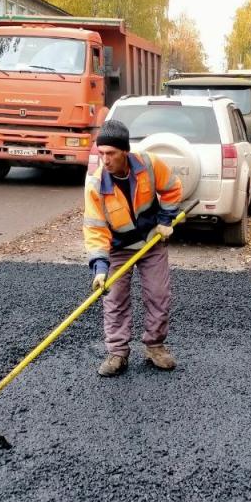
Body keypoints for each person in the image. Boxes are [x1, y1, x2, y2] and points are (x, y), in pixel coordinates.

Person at [83, 120, 183, 377]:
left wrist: (164, 222)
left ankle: (155, 346)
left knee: (159, 295)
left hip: (151, 242)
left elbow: (172, 188)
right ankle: (117, 352)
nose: (105, 160)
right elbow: (95, 229)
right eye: (100, 153)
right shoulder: (95, 185)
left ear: (125, 151)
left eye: (111, 154)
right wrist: (100, 267)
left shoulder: (149, 165)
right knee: (114, 298)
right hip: (118, 248)